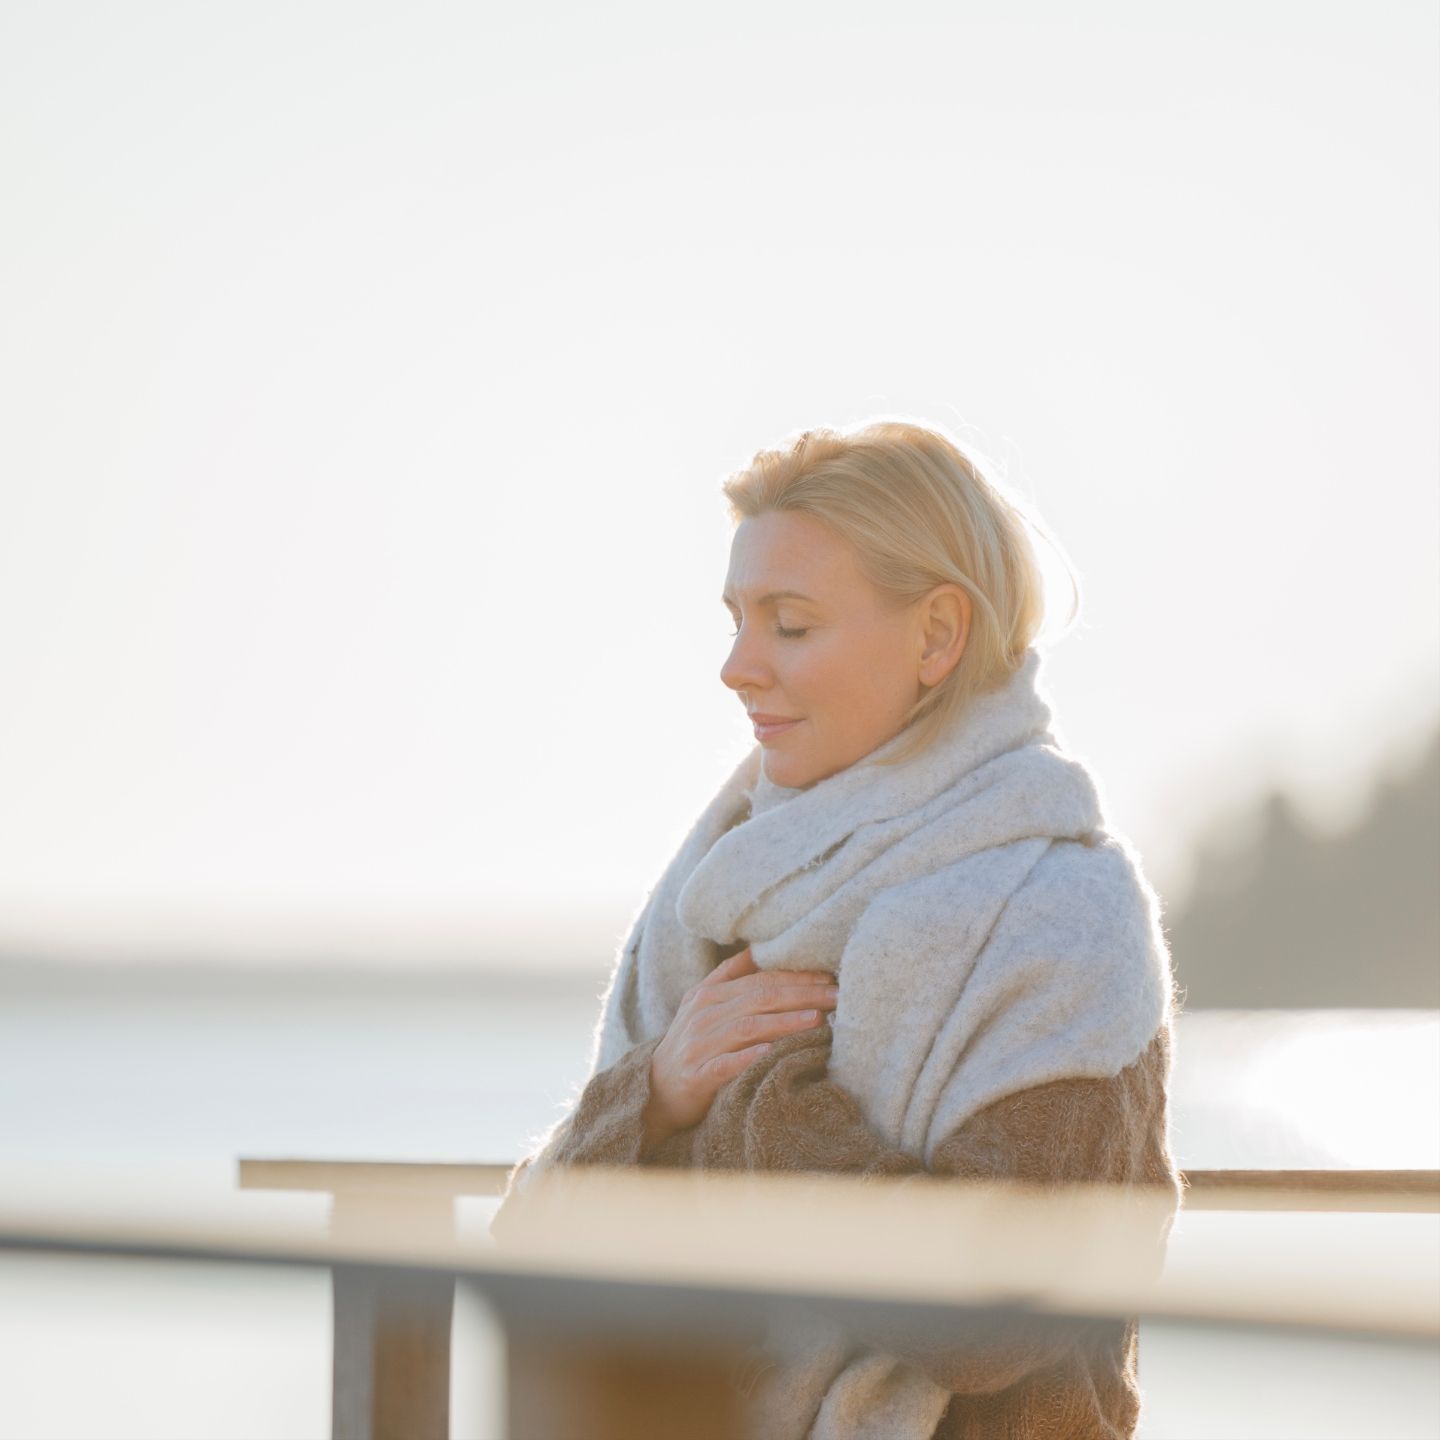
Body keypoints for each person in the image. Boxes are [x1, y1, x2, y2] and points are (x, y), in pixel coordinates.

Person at [498, 422, 1178, 1439]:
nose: (736, 667)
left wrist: (750, 1106)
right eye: (736, 620)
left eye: (790, 625)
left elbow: (996, 1319)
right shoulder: (722, 883)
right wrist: (654, 1094)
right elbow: (532, 1249)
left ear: (936, 636)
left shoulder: (1064, 917)